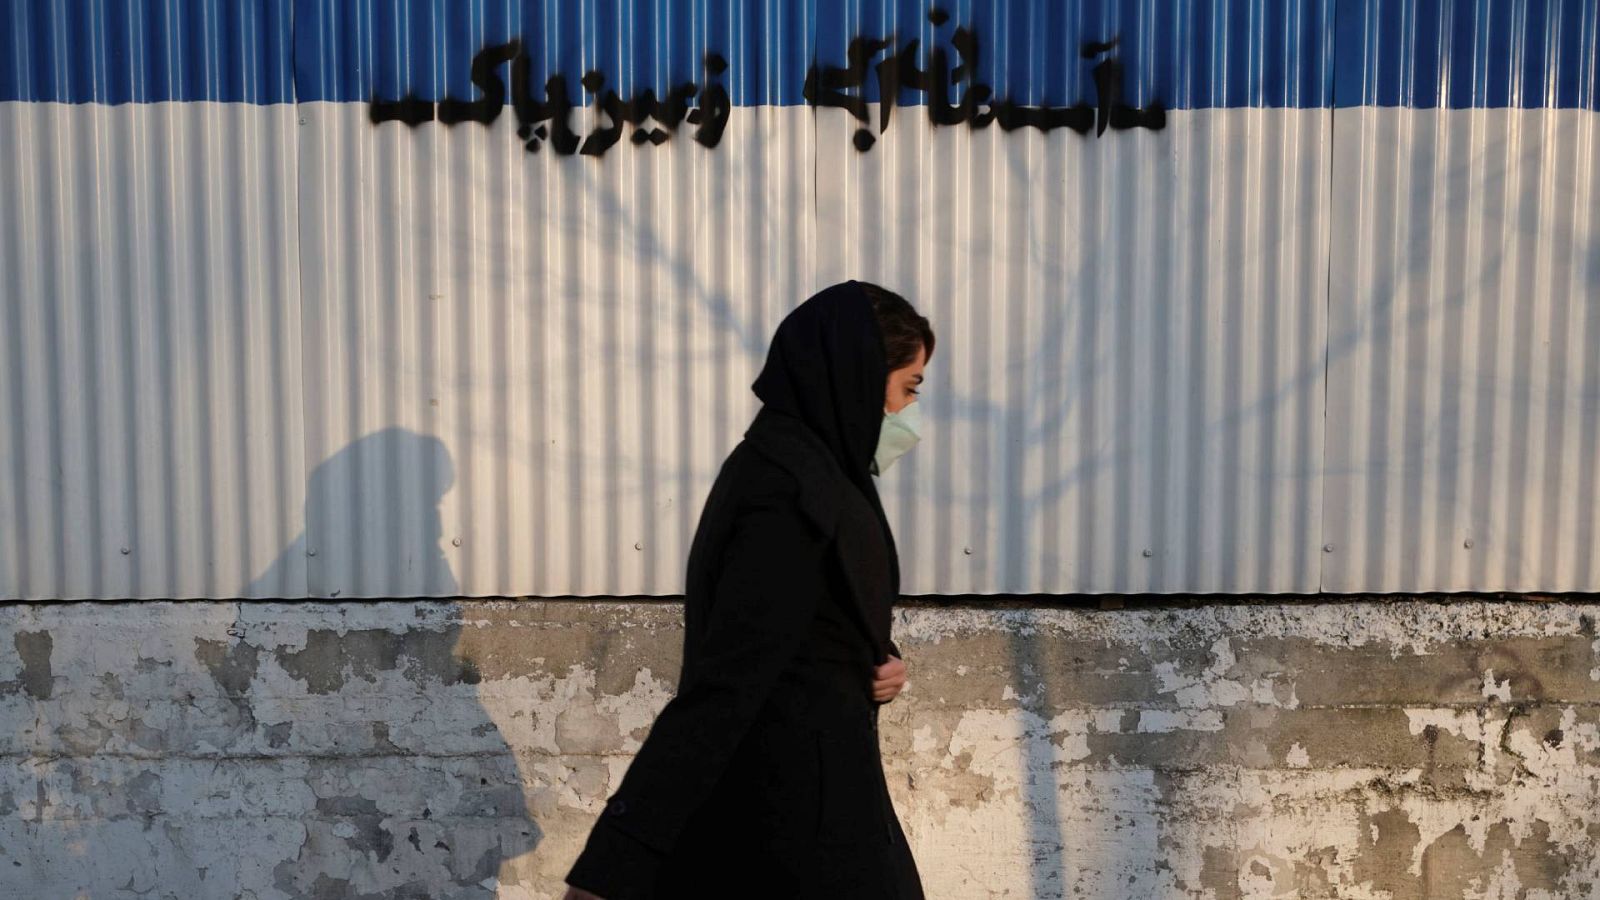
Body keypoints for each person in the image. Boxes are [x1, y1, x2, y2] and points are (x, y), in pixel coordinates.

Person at [563, 281, 934, 898]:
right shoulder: (788, 492)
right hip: (792, 836)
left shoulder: (814, 472)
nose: (907, 415)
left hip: (821, 812)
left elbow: (812, 621)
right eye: (907, 389)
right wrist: (614, 864)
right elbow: (726, 686)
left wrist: (876, 660)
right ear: (857, 376)